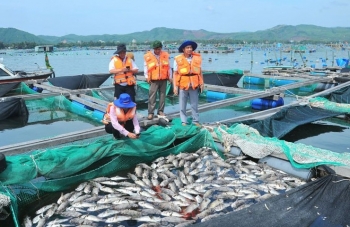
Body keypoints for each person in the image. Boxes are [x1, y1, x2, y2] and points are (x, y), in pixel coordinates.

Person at [173, 40, 204, 126]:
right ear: (183, 49)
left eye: (191, 47)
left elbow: (200, 72)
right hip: (183, 84)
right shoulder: (177, 59)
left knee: (194, 104)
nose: (190, 49)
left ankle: (196, 120)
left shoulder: (197, 58)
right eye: (187, 47)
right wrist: (175, 87)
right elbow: (175, 74)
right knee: (182, 104)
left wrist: (202, 83)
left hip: (194, 84)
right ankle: (184, 121)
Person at [144, 40, 172, 120]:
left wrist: (170, 76)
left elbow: (168, 67)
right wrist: (146, 77)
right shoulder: (148, 56)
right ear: (153, 48)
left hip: (163, 79)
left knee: (162, 96)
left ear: (161, 48)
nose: (157, 50)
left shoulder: (165, 55)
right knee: (152, 96)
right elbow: (146, 67)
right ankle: (150, 113)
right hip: (153, 79)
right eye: (156, 49)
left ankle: (160, 111)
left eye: (159, 49)